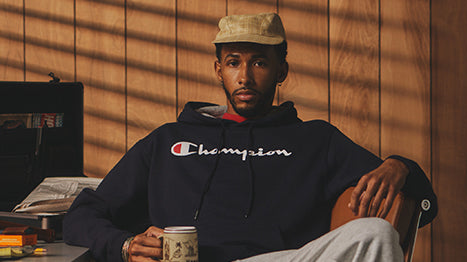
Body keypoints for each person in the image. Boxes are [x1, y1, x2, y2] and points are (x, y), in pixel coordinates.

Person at [63, 13, 438, 262]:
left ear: (281, 71)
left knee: (376, 233)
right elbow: (82, 215)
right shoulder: (169, 140)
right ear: (218, 70)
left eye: (259, 62)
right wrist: (126, 245)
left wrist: (399, 166)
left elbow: (425, 205)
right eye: (233, 62)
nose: (244, 76)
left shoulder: (315, 140)